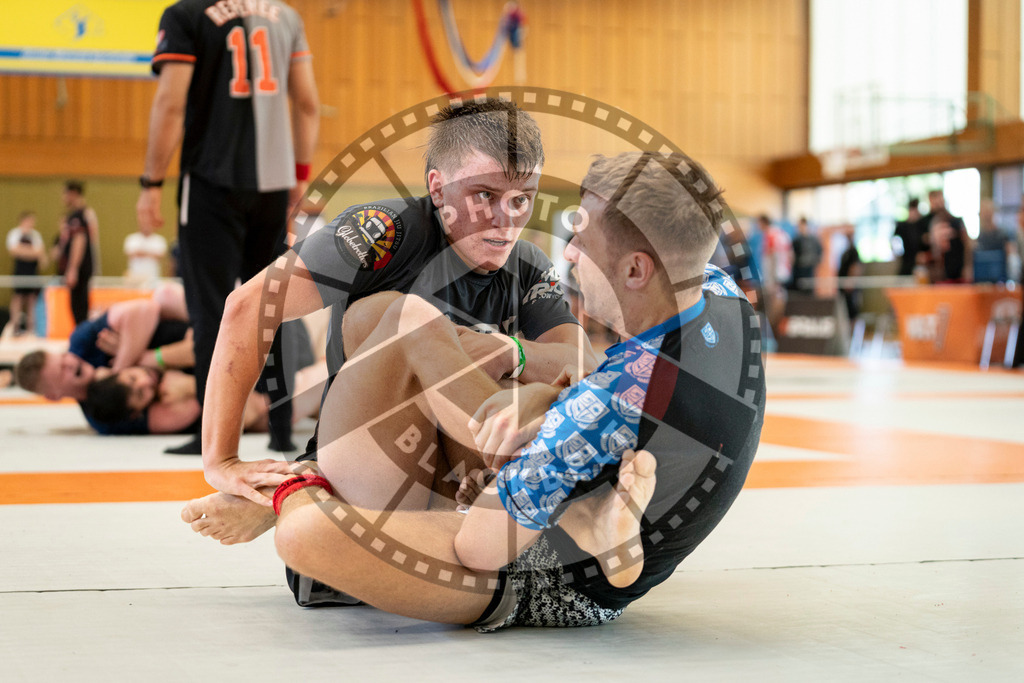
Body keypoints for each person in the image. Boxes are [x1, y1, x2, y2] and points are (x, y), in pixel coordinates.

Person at [183, 150, 765, 631]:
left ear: (636, 271)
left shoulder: (595, 408)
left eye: (582, 241)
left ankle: (294, 487)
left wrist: (536, 413)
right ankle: (579, 509)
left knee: (305, 533)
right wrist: (534, 393)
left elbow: (481, 548)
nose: (568, 253)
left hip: (536, 572)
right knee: (395, 318)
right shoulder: (720, 297)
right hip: (569, 485)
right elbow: (583, 374)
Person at [135, 0, 321, 455]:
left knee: (210, 310)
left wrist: (151, 183)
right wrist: (298, 178)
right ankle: (280, 431)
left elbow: (171, 103)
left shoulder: (185, 15)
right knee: (272, 308)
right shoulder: (287, 17)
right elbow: (309, 104)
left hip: (210, 184)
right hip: (273, 187)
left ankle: (213, 436)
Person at [54, 180, 97, 324]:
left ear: (73, 194)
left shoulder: (79, 216)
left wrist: (73, 268)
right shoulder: (78, 215)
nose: (63, 198)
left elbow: (80, 241)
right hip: (79, 268)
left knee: (79, 307)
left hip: (80, 268)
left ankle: (81, 340)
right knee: (79, 306)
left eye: (65, 194)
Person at [5, 211, 47, 336]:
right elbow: (14, 251)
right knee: (18, 298)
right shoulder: (14, 234)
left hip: (33, 272)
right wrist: (32, 252)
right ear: (23, 220)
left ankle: (31, 328)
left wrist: (26, 252)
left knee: (31, 299)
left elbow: (41, 254)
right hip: (19, 271)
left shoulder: (36, 236)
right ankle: (15, 326)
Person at [789, 216, 822, 291]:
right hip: (799, 269)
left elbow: (819, 252)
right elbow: (792, 255)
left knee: (809, 288)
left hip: (809, 269)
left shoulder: (813, 239)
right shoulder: (796, 240)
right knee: (799, 288)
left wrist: (816, 262)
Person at [893, 199, 922, 276]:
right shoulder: (902, 227)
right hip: (906, 262)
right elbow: (895, 242)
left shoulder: (921, 225)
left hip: (920, 265)